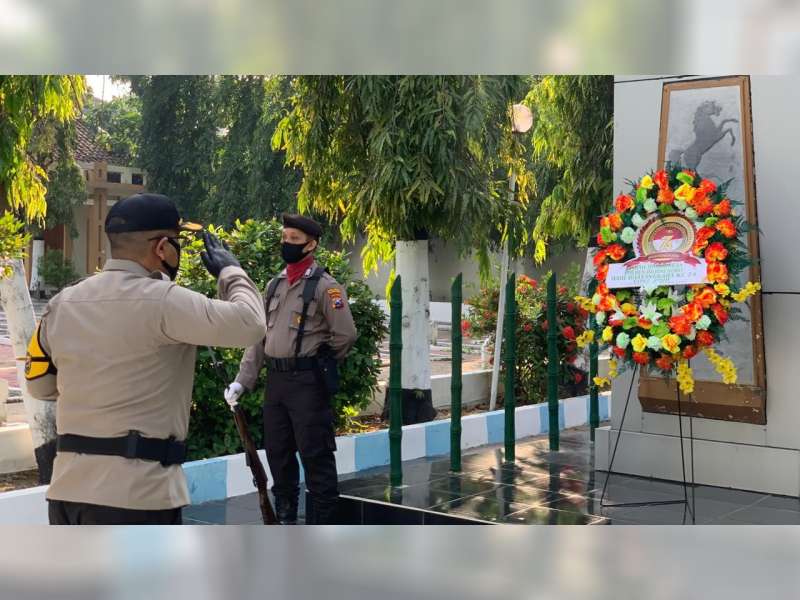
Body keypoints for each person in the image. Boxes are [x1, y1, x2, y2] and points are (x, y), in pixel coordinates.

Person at [25, 193, 266, 525]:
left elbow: (39, 386)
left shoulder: (62, 303)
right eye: (178, 242)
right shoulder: (165, 301)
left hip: (68, 493)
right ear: (162, 247)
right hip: (136, 495)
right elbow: (251, 324)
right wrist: (231, 272)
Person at [224, 214, 357, 525]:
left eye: (294, 240)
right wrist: (243, 380)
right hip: (277, 382)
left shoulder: (325, 287)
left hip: (307, 383)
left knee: (315, 454)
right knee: (278, 452)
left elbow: (346, 335)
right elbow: (259, 337)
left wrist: (321, 361)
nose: (287, 244)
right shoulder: (274, 285)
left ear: (311, 245)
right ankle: (284, 518)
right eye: (285, 238)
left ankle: (323, 524)